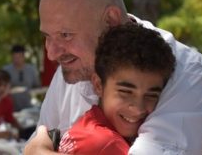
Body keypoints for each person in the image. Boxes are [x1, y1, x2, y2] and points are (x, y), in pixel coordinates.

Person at [25, 0, 202, 154]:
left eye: (65, 35)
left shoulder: (191, 77)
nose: (52, 53)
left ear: (111, 20)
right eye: (47, 36)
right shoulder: (75, 67)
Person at [59, 23, 175, 153]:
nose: (138, 109)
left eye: (151, 95)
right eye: (126, 92)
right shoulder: (108, 144)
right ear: (98, 85)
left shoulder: (87, 127)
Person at [3, 44, 40, 111]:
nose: (17, 60)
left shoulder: (31, 70)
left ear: (23, 57)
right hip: (10, 108)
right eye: (15, 57)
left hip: (28, 106)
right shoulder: (6, 70)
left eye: (19, 57)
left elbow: (37, 86)